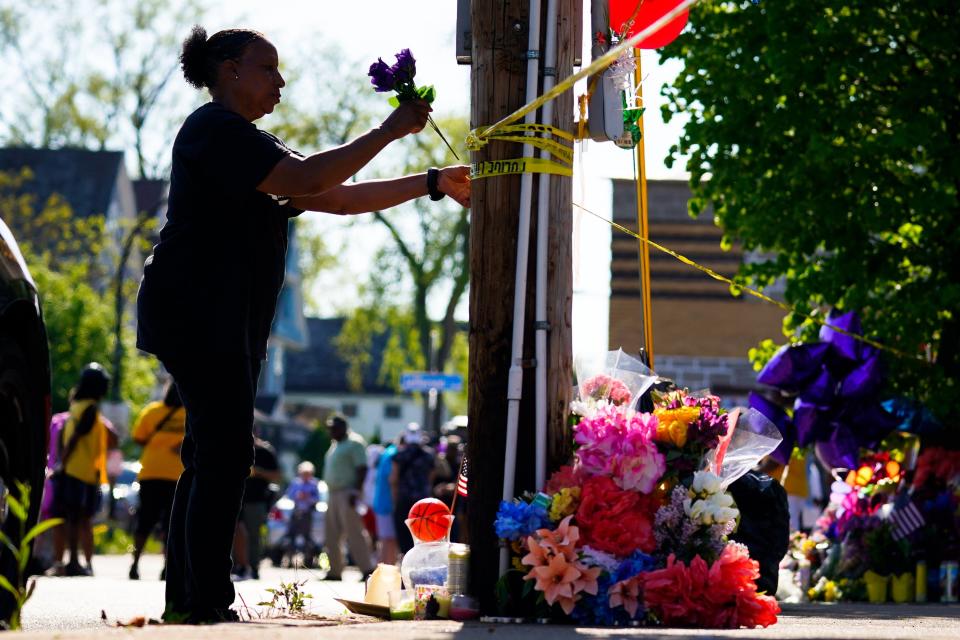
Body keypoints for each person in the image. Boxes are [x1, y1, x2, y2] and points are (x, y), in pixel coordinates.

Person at [135, 25, 469, 624]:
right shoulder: (214, 130)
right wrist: (390, 130)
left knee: (213, 451)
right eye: (270, 69)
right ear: (231, 70)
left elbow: (331, 196)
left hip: (219, 315)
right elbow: (308, 179)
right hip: (196, 308)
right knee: (225, 450)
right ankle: (200, 598)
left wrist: (430, 184)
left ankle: (189, 595)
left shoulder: (248, 143)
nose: (280, 82)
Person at [51, 363, 115, 577]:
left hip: (79, 471)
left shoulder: (76, 405)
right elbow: (76, 436)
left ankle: (75, 561)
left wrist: (61, 461)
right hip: (79, 472)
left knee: (73, 518)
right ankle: (75, 562)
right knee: (78, 519)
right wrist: (63, 462)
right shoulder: (90, 409)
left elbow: (64, 436)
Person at [128, 381, 186, 580]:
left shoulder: (152, 412)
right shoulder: (190, 414)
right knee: (172, 524)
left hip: (150, 473)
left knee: (144, 522)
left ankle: (134, 563)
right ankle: (167, 567)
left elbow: (138, 437)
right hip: (177, 476)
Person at [322, 414, 374, 580]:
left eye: (334, 428)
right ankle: (335, 571)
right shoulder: (335, 444)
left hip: (347, 493)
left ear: (344, 427)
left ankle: (367, 570)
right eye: (330, 428)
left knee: (354, 533)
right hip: (333, 493)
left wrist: (356, 492)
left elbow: (362, 469)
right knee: (331, 534)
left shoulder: (355, 443)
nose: (332, 431)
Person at [233, 435, 281, 580]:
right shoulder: (236, 449)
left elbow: (277, 476)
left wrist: (258, 472)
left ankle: (253, 567)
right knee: (233, 534)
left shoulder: (265, 452)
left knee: (254, 535)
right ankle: (237, 566)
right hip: (235, 499)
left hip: (256, 500)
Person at [391, 423, 438, 554]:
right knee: (422, 535)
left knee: (404, 535)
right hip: (423, 502)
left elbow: (393, 479)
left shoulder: (399, 455)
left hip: (403, 499)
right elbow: (431, 478)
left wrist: (395, 500)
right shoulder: (428, 455)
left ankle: (406, 561)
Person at [282, 461, 321, 564]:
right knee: (291, 536)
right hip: (296, 511)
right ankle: (289, 559)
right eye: (304, 473)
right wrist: (297, 496)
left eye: (308, 473)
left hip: (307, 513)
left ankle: (308, 560)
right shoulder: (295, 483)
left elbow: (317, 498)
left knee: (307, 537)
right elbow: (289, 495)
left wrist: (308, 497)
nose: (306, 476)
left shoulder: (314, 484)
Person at [371, 437, 399, 564]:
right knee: (390, 540)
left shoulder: (387, 452)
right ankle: (387, 572)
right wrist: (395, 502)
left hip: (380, 502)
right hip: (387, 503)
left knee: (384, 540)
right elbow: (392, 480)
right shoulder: (393, 454)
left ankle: (383, 571)